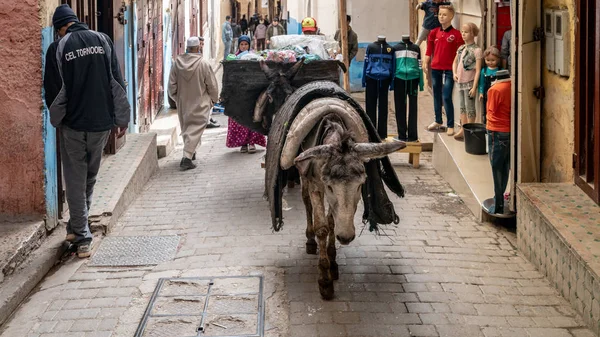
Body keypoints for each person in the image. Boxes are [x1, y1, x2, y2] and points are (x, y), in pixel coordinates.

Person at [44, 4, 130, 258]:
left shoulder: (58, 47)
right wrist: (121, 117)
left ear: (59, 28)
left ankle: (82, 237)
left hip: (74, 125)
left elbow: (54, 91)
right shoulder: (102, 40)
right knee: (89, 177)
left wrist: (57, 119)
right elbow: (116, 80)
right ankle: (76, 227)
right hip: (101, 123)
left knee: (74, 179)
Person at [168, 37, 219, 171]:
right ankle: (186, 158)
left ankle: (191, 151)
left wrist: (177, 98)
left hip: (183, 102)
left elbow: (171, 86)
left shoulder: (176, 63)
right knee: (195, 129)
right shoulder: (203, 64)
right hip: (200, 102)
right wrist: (213, 99)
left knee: (187, 128)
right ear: (198, 48)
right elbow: (212, 85)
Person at [424, 5, 464, 136]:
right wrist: (426, 62)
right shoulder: (434, 32)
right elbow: (429, 50)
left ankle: (451, 124)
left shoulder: (456, 34)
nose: (441, 17)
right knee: (436, 95)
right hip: (435, 68)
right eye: (440, 14)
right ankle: (438, 120)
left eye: (444, 15)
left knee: (446, 96)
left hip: (449, 70)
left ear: (451, 16)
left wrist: (457, 70)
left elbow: (460, 54)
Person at [226, 37, 267, 153]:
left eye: (246, 45)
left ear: (249, 45)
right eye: (242, 44)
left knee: (252, 118)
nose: (244, 47)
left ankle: (252, 142)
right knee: (239, 119)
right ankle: (243, 144)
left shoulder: (253, 57)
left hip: (250, 93)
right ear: (238, 46)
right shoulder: (233, 59)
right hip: (238, 94)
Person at [485, 69, 511, 214]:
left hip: (496, 130)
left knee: (496, 167)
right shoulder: (512, 86)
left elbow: (491, 110)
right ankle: (500, 197)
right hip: (508, 130)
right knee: (505, 165)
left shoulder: (494, 89)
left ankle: (498, 203)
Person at [452, 22, 482, 141]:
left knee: (470, 107)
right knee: (462, 106)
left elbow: (478, 70)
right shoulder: (461, 48)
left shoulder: (477, 50)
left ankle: (470, 129)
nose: (463, 34)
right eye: (462, 32)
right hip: (460, 81)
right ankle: (463, 128)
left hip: (469, 81)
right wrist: (454, 73)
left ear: (473, 33)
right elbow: (455, 62)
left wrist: (474, 87)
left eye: (466, 32)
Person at [478, 46, 502, 125]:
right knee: (486, 108)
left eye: (493, 60)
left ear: (498, 59)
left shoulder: (500, 70)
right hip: (486, 93)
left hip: (497, 94)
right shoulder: (484, 70)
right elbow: (481, 82)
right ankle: (487, 122)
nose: (490, 62)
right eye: (487, 60)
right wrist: (481, 92)